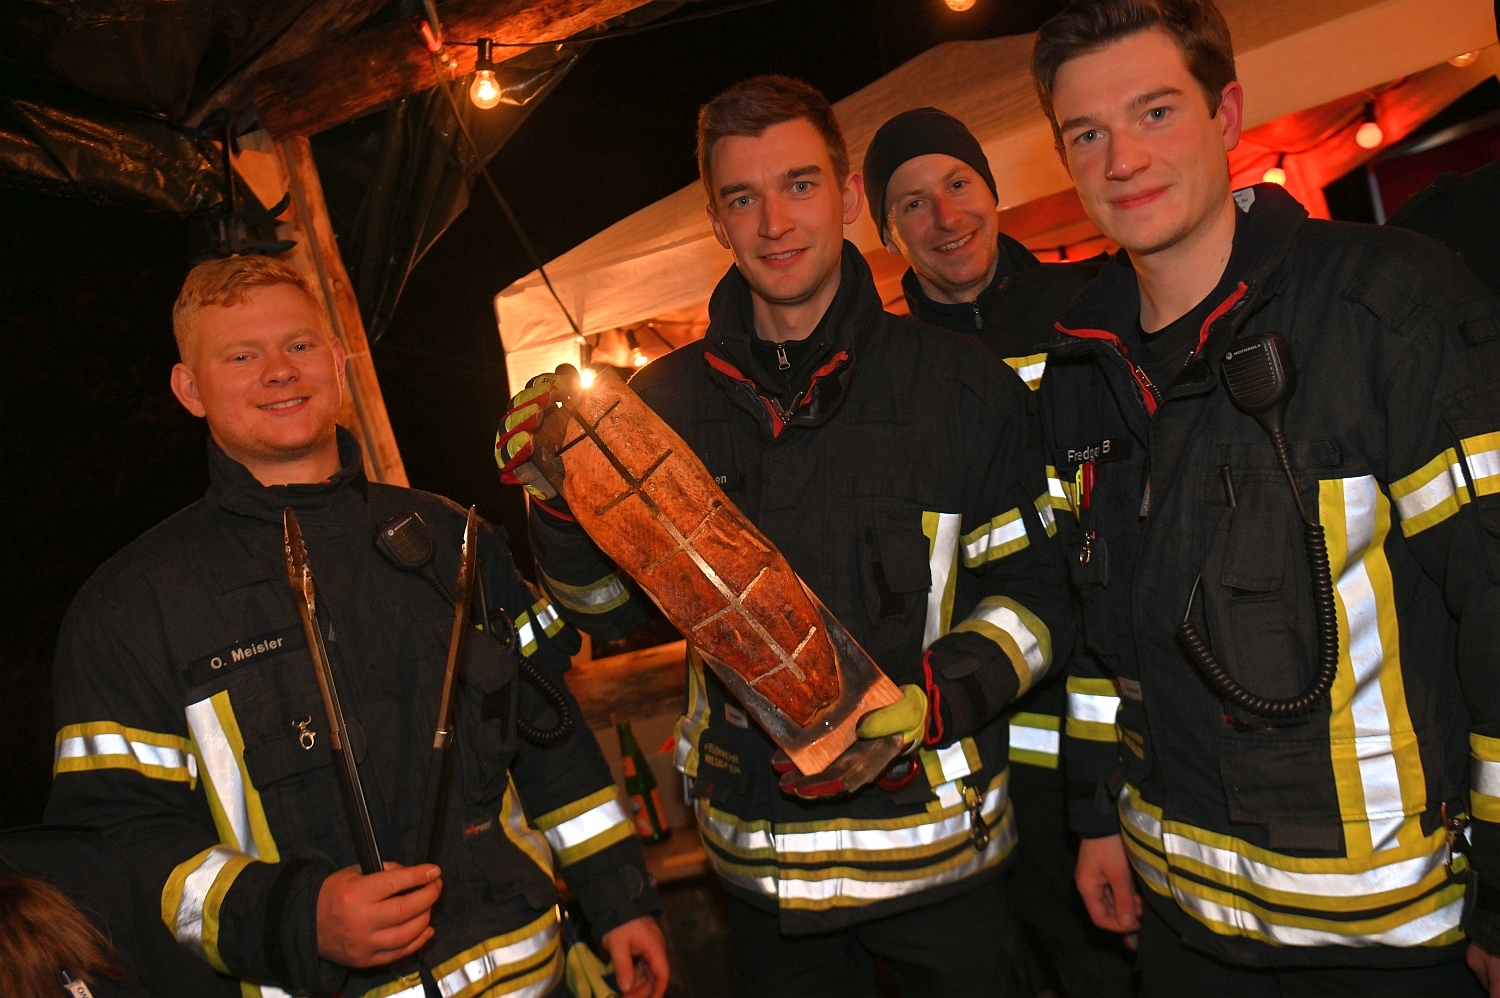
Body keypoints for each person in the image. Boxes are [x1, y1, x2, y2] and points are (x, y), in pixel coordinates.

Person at [500, 75, 1071, 998]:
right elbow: (608, 616)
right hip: (763, 882)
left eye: (799, 185)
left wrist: (933, 698)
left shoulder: (961, 388)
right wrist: (561, 505)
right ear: (715, 222)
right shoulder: (661, 407)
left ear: (846, 197)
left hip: (943, 869)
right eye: (743, 198)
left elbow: (1041, 601)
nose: (773, 223)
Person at [1028, 0, 1500, 994]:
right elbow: (1099, 642)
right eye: (1087, 133)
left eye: (1156, 112)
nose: (1123, 159)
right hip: (1178, 928)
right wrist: (1097, 816)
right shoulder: (1078, 372)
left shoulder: (1387, 306)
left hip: (1388, 943)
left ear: (1228, 114)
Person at [44, 256, 669, 998]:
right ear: (189, 389)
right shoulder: (132, 609)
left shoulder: (454, 540)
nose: (280, 371)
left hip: (540, 978)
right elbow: (119, 844)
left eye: (299, 345)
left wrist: (619, 899)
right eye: (241, 356)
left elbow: (548, 740)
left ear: (337, 361)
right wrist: (298, 917)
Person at [863, 108, 1131, 997]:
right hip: (965, 746)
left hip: (1105, 723)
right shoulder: (885, 367)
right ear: (886, 232)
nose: (945, 217)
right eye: (912, 203)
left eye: (958, 184)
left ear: (993, 188)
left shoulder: (1091, 309)